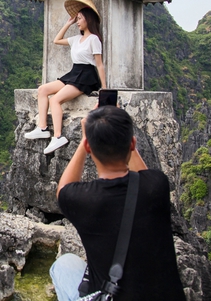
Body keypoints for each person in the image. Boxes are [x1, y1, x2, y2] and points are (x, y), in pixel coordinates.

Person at [50, 105, 185, 301]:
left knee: (62, 266)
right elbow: (143, 175)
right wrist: (121, 131)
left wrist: (84, 140)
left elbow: (63, 188)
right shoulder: (158, 186)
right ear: (132, 144)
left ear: (89, 148)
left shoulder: (82, 199)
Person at [24, 0, 106, 154]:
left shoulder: (94, 39)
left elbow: (99, 65)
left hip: (86, 76)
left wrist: (105, 88)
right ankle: (42, 128)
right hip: (74, 73)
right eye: (77, 19)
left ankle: (58, 137)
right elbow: (56, 40)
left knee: (55, 100)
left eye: (80, 18)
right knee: (43, 90)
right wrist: (68, 23)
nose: (78, 22)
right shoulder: (76, 39)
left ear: (89, 19)